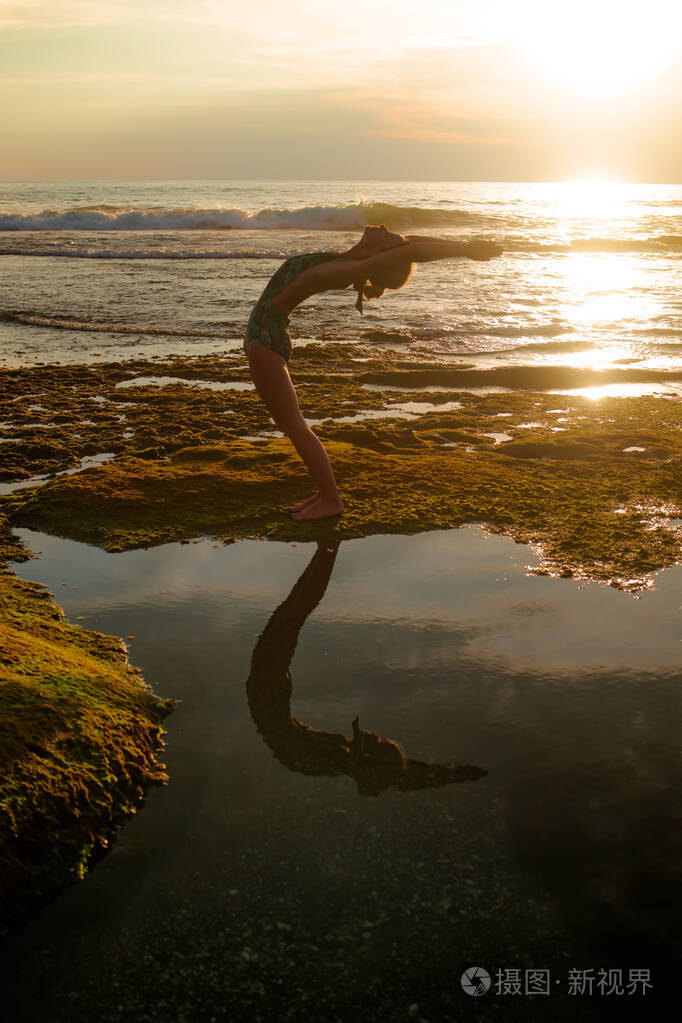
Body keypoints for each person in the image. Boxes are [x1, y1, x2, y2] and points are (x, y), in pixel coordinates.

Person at [244, 225, 502, 521]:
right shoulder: (349, 260)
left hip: (265, 337)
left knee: (294, 426)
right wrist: (460, 244)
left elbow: (412, 250)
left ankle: (331, 499)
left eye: (387, 234)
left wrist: (467, 248)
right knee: (291, 425)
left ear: (382, 255)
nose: (381, 226)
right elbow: (414, 244)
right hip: (264, 335)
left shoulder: (345, 271)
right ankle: (323, 493)